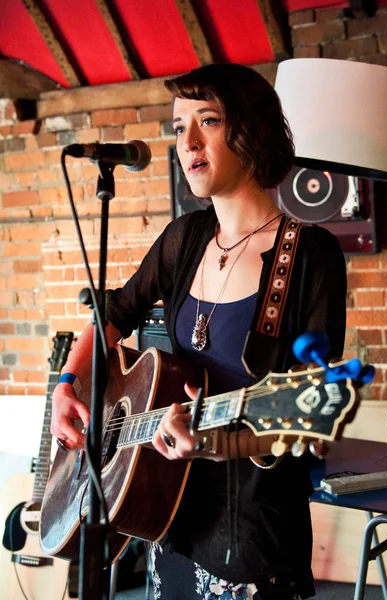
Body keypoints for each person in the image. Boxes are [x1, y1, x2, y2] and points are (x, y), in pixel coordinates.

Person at [51, 63, 347, 600]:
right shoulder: (184, 239)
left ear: (251, 131)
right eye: (177, 125)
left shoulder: (309, 255)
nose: (185, 141)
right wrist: (67, 385)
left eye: (206, 120)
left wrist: (211, 442)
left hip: (252, 538)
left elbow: (307, 413)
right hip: (168, 519)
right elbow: (112, 314)